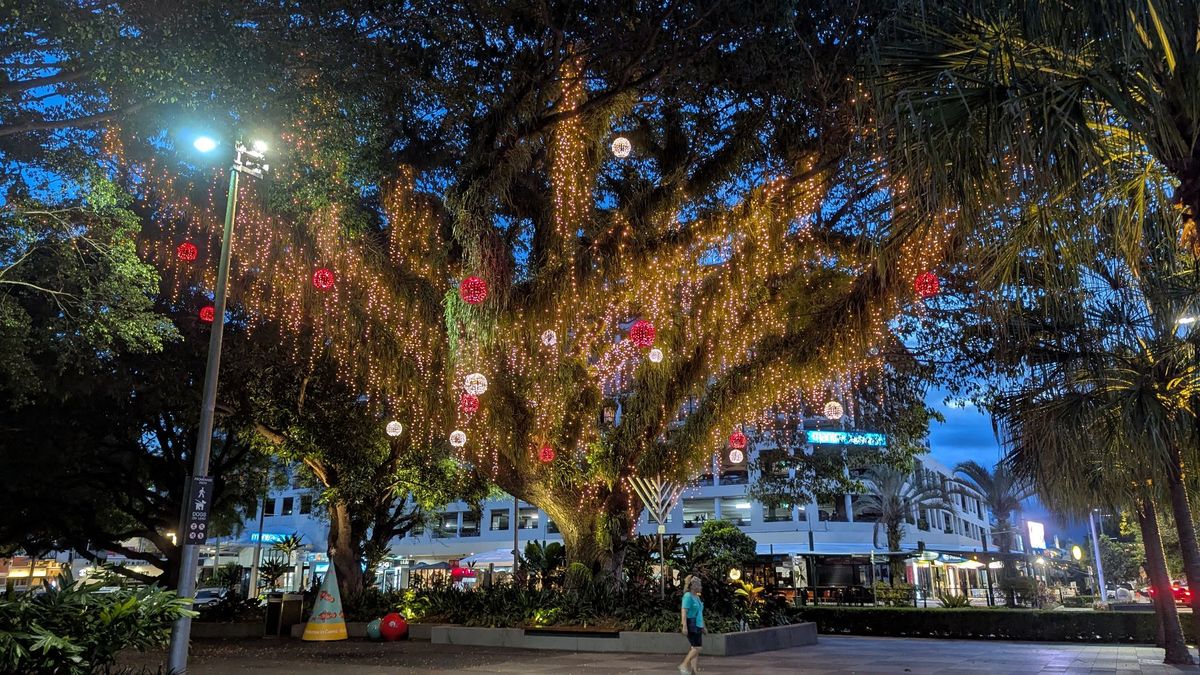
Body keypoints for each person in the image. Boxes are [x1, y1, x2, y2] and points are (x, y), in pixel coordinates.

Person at [679, 575, 704, 674]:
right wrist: (684, 626)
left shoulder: (697, 597)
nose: (701, 586)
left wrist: (703, 626)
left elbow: (700, 612)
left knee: (694, 648)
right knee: (698, 647)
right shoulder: (688, 596)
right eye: (699, 584)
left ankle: (694, 671)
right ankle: (684, 664)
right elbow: (684, 611)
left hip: (697, 624)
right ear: (693, 585)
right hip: (691, 623)